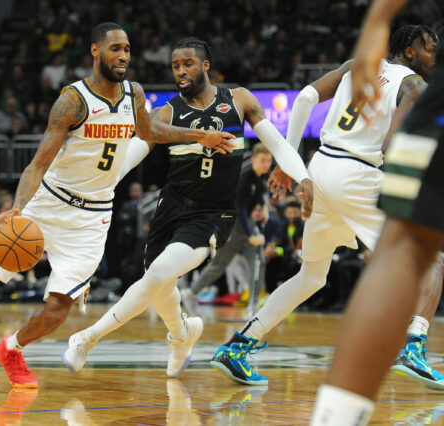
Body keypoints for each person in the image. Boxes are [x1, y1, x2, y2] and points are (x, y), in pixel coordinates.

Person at [0, 23, 234, 389]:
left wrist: (202, 135)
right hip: (50, 202)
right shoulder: (72, 100)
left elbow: (150, 133)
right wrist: (18, 208)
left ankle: (11, 349)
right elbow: (38, 163)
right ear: (95, 51)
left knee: (59, 308)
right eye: (115, 49)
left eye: (126, 50)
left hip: (92, 218)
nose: (123, 56)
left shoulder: (133, 93)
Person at [61, 37, 313, 377]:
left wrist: (303, 178)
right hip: (172, 206)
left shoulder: (238, 99)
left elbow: (277, 144)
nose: (181, 71)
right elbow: (135, 150)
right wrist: (103, 183)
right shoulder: (166, 112)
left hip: (212, 213)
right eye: (176, 66)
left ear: (205, 65)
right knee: (159, 285)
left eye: (188, 64)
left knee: (160, 275)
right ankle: (181, 335)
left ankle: (88, 337)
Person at [209, 23, 441, 388]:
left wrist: (289, 161)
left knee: (313, 276)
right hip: (359, 174)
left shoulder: (356, 65)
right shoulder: (414, 84)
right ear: (410, 51)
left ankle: (238, 345)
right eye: (430, 48)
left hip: (321, 167)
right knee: (431, 256)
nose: (435, 54)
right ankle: (413, 346)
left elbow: (303, 99)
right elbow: (392, 147)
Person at [310, 2, 444, 424]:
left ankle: (336, 417)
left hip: (344, 163)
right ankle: (415, 343)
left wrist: (377, 21)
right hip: (366, 161)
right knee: (412, 254)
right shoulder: (411, 82)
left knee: (401, 253)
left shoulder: (405, 78)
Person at [185, 143, 273, 309]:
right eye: (263, 160)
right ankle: (191, 292)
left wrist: (265, 208)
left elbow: (260, 194)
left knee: (258, 259)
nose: (266, 164)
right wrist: (251, 235)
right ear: (254, 159)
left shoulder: (259, 177)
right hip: (232, 224)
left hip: (245, 222)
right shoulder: (244, 177)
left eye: (268, 161)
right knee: (220, 265)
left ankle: (255, 302)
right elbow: (238, 209)